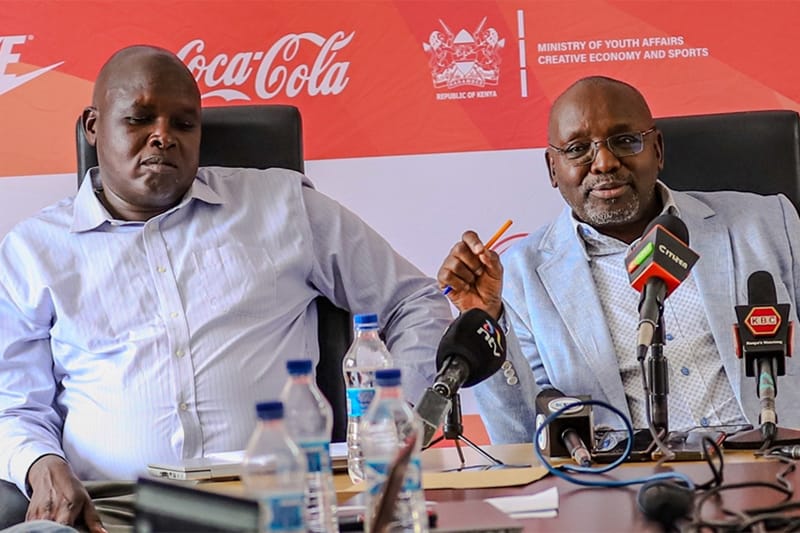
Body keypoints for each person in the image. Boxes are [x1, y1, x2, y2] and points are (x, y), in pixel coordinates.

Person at [0, 45, 453, 530]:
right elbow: (13, 403)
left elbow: (415, 301)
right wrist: (39, 463)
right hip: (111, 512)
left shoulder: (282, 207)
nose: (163, 136)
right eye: (140, 119)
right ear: (94, 126)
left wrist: (401, 416)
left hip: (276, 503)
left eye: (183, 124)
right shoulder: (35, 250)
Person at [438, 75, 800, 444]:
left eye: (625, 141)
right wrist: (485, 321)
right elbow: (519, 438)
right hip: (624, 471)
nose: (605, 163)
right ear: (552, 168)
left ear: (657, 150)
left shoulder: (767, 222)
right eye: (578, 149)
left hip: (776, 458)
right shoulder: (519, 276)